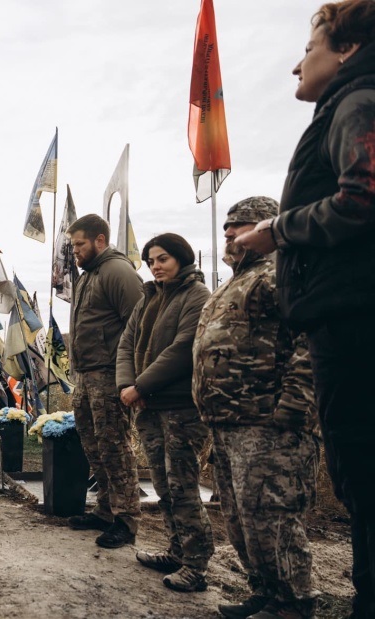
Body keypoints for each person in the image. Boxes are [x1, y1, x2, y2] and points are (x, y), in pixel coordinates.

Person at [234, 3, 375, 616]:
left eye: (309, 46)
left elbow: (363, 193)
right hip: (345, 316)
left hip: (353, 322)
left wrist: (278, 228)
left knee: (364, 480)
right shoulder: (349, 103)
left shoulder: (358, 101)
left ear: (346, 49)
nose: (297, 62)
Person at [194, 197, 319, 619]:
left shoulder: (282, 274)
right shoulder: (235, 282)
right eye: (226, 226)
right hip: (229, 423)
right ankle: (265, 593)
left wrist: (295, 404)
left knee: (272, 517)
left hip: (269, 422)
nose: (228, 233)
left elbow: (310, 340)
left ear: (267, 230)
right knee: (241, 519)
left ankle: (294, 603)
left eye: (240, 225)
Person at [116, 233, 213, 593]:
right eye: (151, 260)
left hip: (181, 408)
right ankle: (175, 551)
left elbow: (183, 348)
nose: (156, 266)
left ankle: (196, 565)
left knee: (183, 486)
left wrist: (140, 386)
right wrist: (128, 385)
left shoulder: (197, 297)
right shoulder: (149, 298)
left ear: (182, 259)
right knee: (162, 485)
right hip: (149, 405)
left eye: (163, 259)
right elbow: (127, 343)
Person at [65, 214, 144, 549]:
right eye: (72, 246)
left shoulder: (118, 272)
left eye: (79, 244)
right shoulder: (87, 277)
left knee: (114, 446)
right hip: (85, 375)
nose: (75, 252)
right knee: (92, 444)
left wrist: (130, 379)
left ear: (100, 240)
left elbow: (138, 326)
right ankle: (105, 509)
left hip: (110, 376)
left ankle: (126, 520)